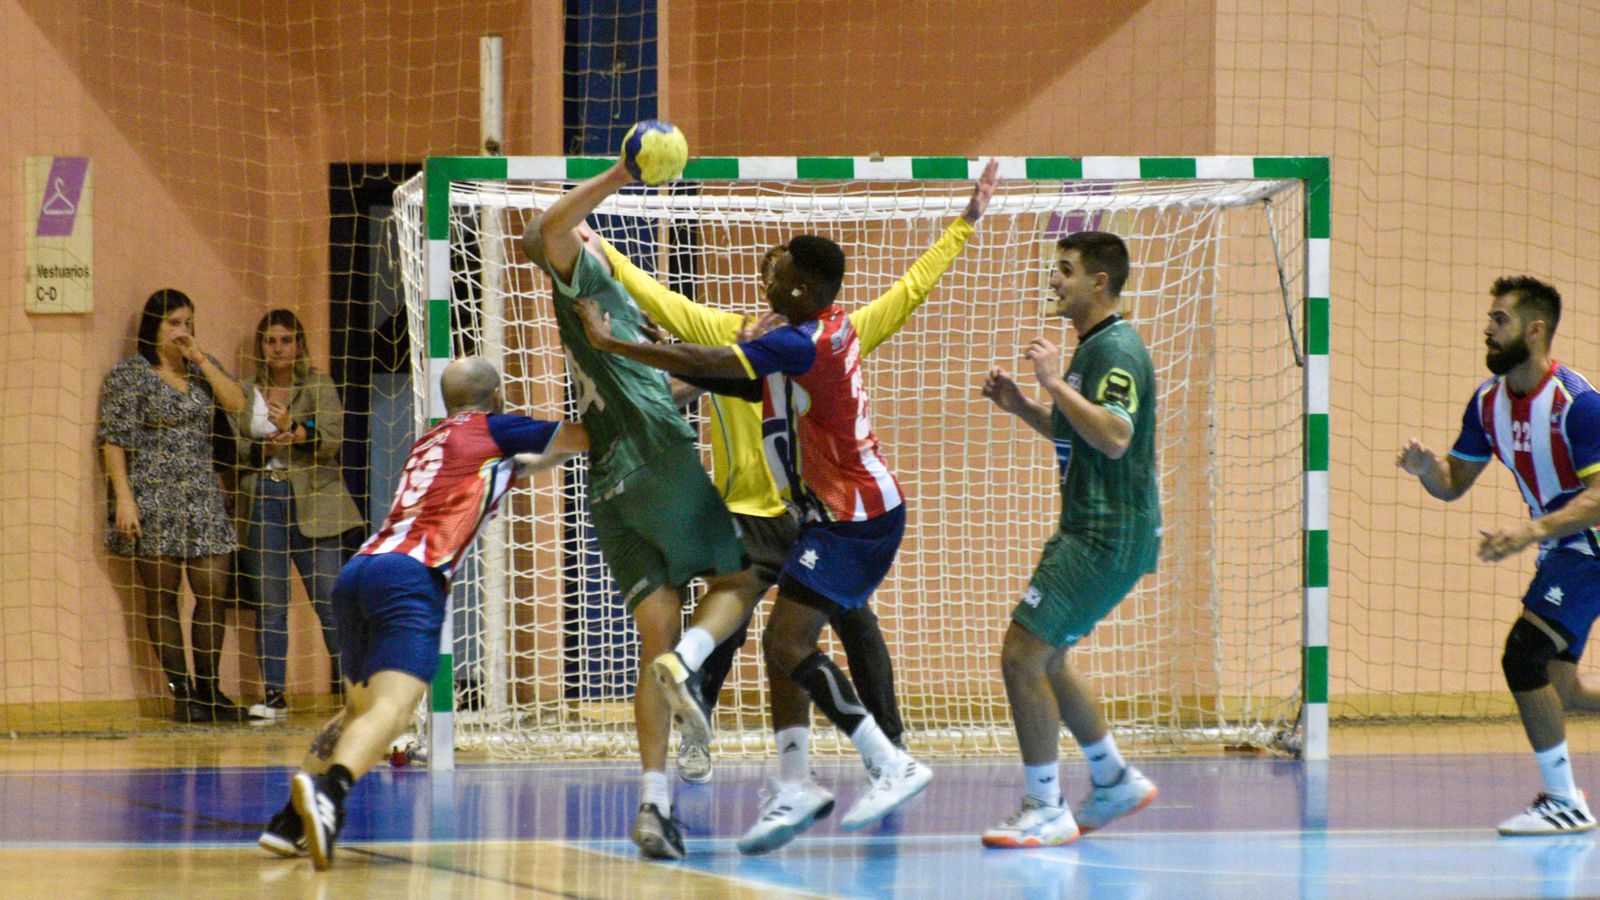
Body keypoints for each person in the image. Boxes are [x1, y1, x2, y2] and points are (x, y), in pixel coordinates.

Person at [573, 158, 999, 854]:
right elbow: (719, 369)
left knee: (803, 635)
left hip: (853, 516)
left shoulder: (801, 344)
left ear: (799, 291)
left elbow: (718, 364)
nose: (762, 280)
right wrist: (616, 274)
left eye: (772, 273)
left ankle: (888, 757)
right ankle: (791, 775)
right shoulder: (801, 336)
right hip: (818, 516)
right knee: (777, 639)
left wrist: (614, 343)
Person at [258, 356, 588, 869]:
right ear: (496, 396)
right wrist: (666, 390)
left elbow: (525, 465)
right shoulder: (494, 427)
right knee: (394, 712)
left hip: (361, 570)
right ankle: (329, 793)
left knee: (359, 711)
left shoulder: (433, 440)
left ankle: (289, 822)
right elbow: (584, 436)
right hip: (412, 575)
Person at [519, 165, 760, 860]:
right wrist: (625, 172)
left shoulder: (606, 309)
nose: (588, 232)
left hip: (608, 482)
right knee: (744, 579)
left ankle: (654, 805)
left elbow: (652, 385)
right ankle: (691, 663)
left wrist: (721, 372)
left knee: (655, 639)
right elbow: (547, 228)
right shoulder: (586, 279)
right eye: (584, 232)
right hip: (656, 455)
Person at [976, 230, 1161, 849]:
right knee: (1047, 657)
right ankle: (1113, 779)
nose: (1053, 280)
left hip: (1104, 533)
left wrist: (1054, 383)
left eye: (1065, 269)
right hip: (1096, 528)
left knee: (1021, 655)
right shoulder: (1095, 346)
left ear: (1099, 282)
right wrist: (1023, 405)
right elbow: (1075, 431)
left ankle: (1045, 806)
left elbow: (1114, 436)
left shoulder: (1117, 350)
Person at [1398, 276, 1600, 836]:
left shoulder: (1578, 405)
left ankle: (1563, 801)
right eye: (1489, 318)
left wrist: (1530, 531)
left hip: (1590, 547)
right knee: (1563, 690)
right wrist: (1426, 471)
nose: (1487, 328)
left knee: (1522, 654)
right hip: (1563, 547)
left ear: (1535, 331)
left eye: (1500, 319)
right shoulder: (1488, 404)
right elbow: (1453, 483)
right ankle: (1563, 799)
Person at [99, 288, 251, 724]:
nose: (182, 330)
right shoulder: (130, 374)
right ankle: (183, 694)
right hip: (152, 494)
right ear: (154, 327)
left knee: (213, 592)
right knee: (163, 597)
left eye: (188, 322)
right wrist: (125, 500)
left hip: (202, 494)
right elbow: (113, 440)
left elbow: (237, 404)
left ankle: (210, 689)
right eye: (174, 323)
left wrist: (199, 357)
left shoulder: (202, 368)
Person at [236, 309, 365, 721]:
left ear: (299, 345)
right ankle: (274, 694)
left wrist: (297, 429)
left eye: (286, 340)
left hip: (314, 501)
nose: (278, 349)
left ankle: (357, 692)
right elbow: (235, 449)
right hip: (263, 498)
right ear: (260, 346)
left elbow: (332, 439)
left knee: (329, 601)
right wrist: (266, 449)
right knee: (270, 603)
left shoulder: (318, 384)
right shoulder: (246, 390)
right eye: (270, 341)